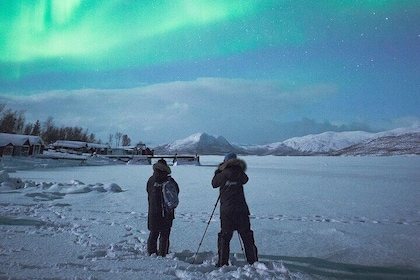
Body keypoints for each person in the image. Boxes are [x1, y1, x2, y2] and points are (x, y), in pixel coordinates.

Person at [212, 153, 258, 267]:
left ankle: (222, 262)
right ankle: (252, 261)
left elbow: (214, 183)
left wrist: (218, 172)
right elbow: (245, 179)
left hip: (227, 211)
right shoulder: (240, 173)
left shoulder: (222, 175)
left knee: (225, 237)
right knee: (247, 236)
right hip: (242, 210)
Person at [147, 159, 179, 257]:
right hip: (166, 212)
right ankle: (163, 253)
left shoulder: (151, 180)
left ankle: (151, 252)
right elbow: (177, 191)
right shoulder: (169, 181)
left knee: (153, 233)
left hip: (153, 210)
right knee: (165, 234)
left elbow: (147, 191)